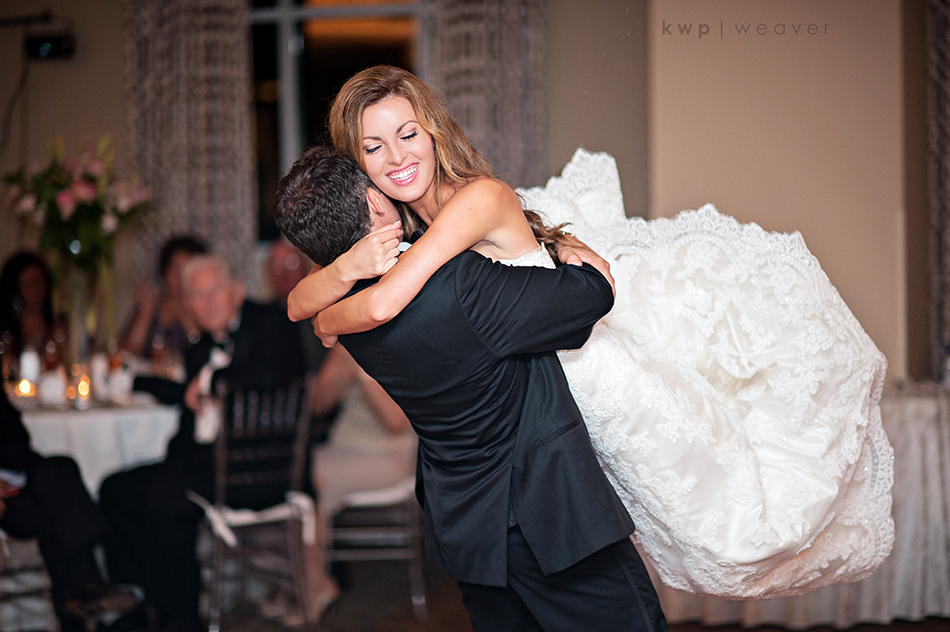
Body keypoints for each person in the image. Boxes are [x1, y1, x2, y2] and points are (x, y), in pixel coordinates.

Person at [285, 65, 893, 600]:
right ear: (358, 166)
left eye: (408, 134)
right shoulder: (399, 231)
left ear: (434, 133)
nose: (396, 157)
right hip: (538, 397)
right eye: (374, 147)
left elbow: (380, 302)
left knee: (723, 517)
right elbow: (297, 303)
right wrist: (341, 274)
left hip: (587, 374)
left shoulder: (474, 201)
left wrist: (329, 317)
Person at [275, 146, 668, 632]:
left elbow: (308, 298)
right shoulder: (459, 284)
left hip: (465, 528)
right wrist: (568, 250)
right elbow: (590, 296)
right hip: (547, 516)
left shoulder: (342, 315)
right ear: (375, 202)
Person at [99, 254, 311, 632]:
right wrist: (137, 382)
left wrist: (209, 382)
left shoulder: (272, 322)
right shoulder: (198, 348)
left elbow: (271, 372)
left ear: (237, 290)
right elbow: (186, 399)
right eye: (197, 295)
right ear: (187, 305)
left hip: (260, 470)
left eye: (215, 291)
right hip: (208, 464)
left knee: (167, 497)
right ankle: (137, 604)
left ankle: (181, 620)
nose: (208, 302)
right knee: (117, 489)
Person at [0, 387, 137, 632]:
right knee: (53, 514)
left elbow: (18, 442)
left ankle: (82, 595)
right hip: (9, 502)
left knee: (60, 471)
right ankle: (88, 590)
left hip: (17, 479)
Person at [118, 235, 207, 366]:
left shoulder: (203, 307)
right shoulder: (152, 303)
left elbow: (203, 353)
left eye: (185, 269)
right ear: (164, 271)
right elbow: (125, 355)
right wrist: (145, 315)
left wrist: (185, 311)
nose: (179, 276)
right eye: (174, 268)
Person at [0, 251, 64, 368]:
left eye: (40, 281)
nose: (37, 288)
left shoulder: (58, 329)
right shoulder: (6, 333)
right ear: (16, 288)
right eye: (29, 283)